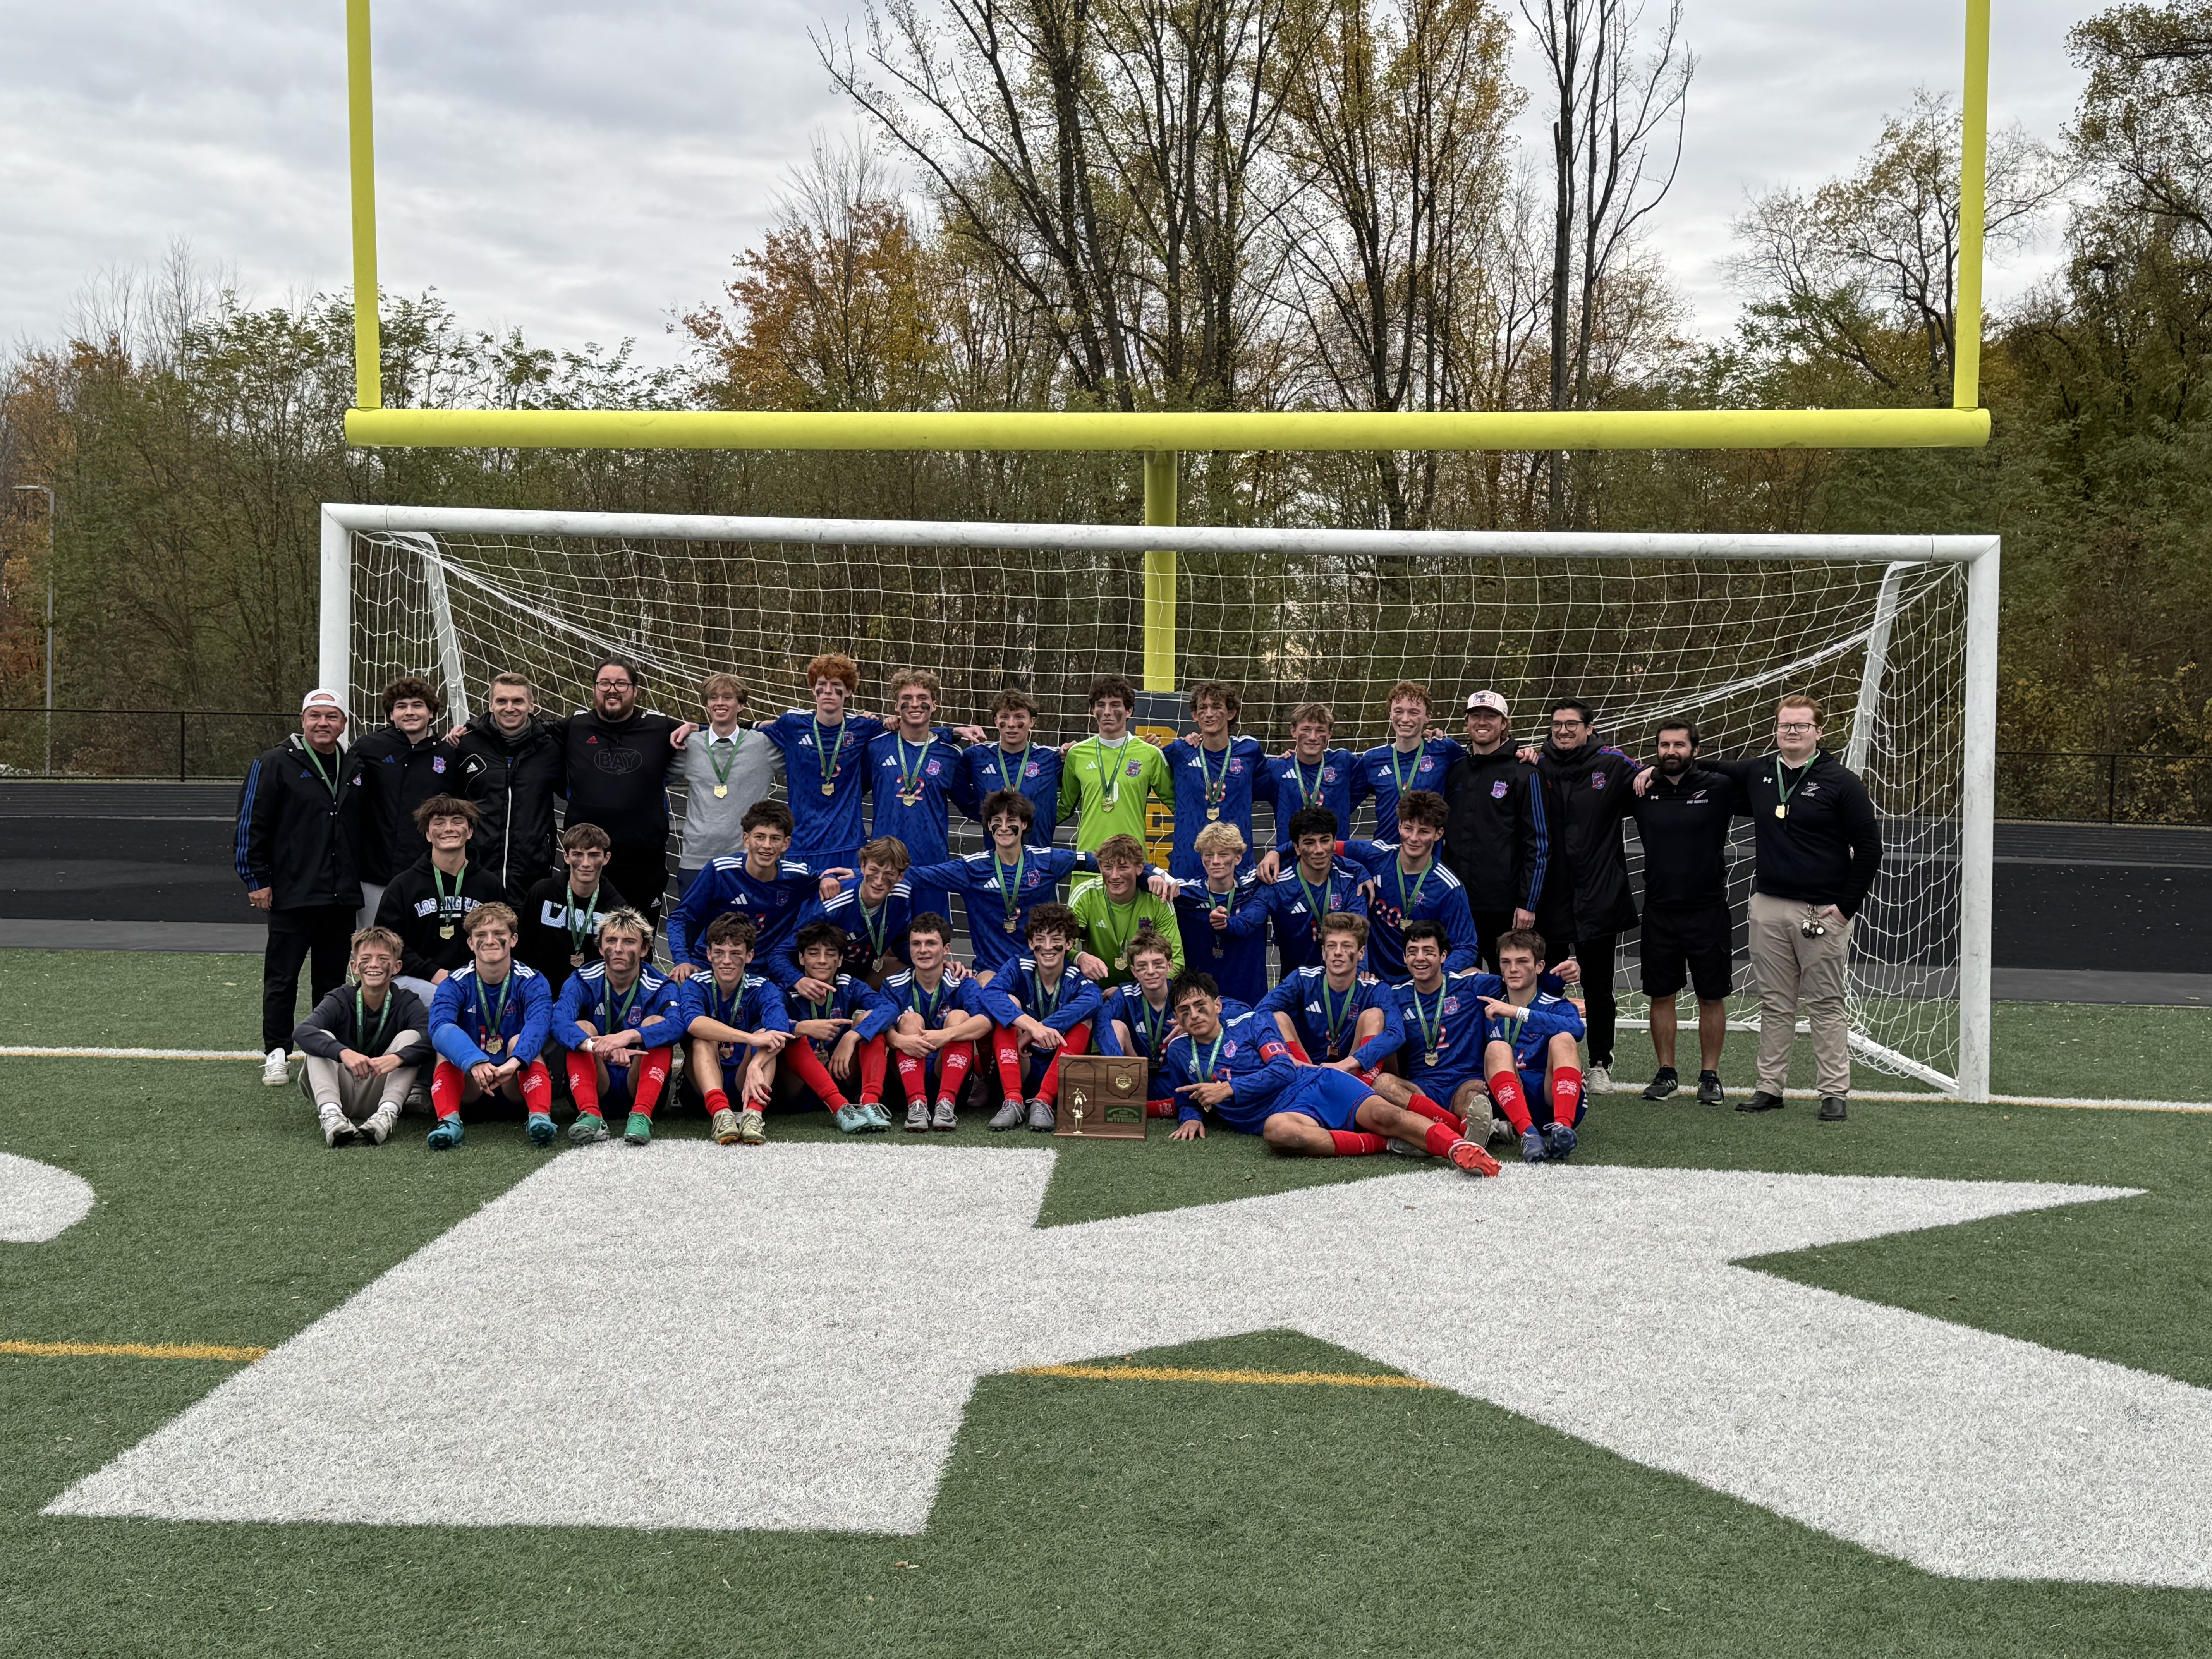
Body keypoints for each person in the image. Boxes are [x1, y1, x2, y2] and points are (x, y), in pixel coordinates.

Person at [1659, 693, 1881, 1122]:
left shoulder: (1842, 782)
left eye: (1801, 726)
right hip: (1768, 907)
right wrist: (1652, 770)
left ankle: (1834, 1092)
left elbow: (1870, 848)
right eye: (1785, 726)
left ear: (1819, 731)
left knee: (1826, 1003)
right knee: (1775, 1003)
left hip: (1822, 913)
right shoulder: (1761, 771)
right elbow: (1706, 766)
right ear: (1776, 730)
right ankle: (1769, 1088)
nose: (1792, 732)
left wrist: (1845, 908)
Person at [1163, 973, 1497, 1172]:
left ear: (1217, 1005)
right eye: (1185, 1011)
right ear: (1177, 1019)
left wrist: (1229, 1089)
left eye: (1201, 1006)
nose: (1194, 1015)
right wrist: (1190, 1116)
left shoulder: (1253, 1023)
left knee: (1385, 1113)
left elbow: (1282, 1070)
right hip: (1287, 1114)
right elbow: (1185, 1094)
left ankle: (1458, 1148)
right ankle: (1389, 1146)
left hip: (1315, 1084)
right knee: (1276, 1132)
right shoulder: (1180, 1051)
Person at [239, 687, 364, 1086]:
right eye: (316, 716)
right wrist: (257, 879)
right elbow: (250, 826)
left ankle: (321, 1051)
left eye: (332, 717)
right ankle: (276, 1051)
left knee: (331, 982)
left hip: (340, 895)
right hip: (293, 892)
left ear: (344, 723)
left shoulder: (354, 764)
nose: (323, 723)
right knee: (282, 978)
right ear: (303, 720)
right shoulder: (275, 762)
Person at [909, 791, 1153, 977]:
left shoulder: (1047, 860)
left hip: (1042, 965)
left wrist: (1154, 875)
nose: (1004, 828)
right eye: (997, 821)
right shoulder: (971, 868)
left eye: (1011, 820)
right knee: (990, 998)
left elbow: (1106, 861)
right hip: (991, 969)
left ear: (1024, 825)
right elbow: (918, 876)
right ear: (989, 826)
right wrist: (874, 875)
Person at [1526, 699, 1639, 1091]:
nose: (1564, 731)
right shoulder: (1536, 764)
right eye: (1557, 724)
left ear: (1589, 729)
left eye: (1572, 724)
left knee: (1598, 984)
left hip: (1599, 893)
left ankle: (1600, 1062)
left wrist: (1651, 774)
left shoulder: (1612, 764)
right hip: (1551, 896)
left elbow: (1651, 779)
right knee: (1549, 981)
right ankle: (1548, 1057)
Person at [1628, 717, 1740, 1106]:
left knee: (1711, 996)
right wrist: (1641, 773)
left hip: (1708, 910)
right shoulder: (1642, 790)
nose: (1671, 752)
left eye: (1679, 745)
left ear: (1694, 748)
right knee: (1661, 995)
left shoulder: (1720, 788)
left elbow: (1756, 777)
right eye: (1664, 746)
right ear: (1656, 749)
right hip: (1659, 910)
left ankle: (1710, 1076)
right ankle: (1666, 1072)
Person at [549, 659, 686, 927]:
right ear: (594, 689)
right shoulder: (574, 727)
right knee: (584, 942)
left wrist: (757, 727)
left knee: (638, 943)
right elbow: (520, 732)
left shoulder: (661, 727)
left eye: (621, 684)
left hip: (643, 862)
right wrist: (470, 730)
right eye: (605, 683)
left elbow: (713, 733)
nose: (613, 690)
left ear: (635, 690)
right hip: (587, 860)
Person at [663, 800, 843, 986]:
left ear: (786, 844)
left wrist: (829, 878)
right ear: (746, 840)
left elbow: (866, 874)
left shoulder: (797, 876)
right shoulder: (721, 871)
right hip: (713, 965)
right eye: (760, 837)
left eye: (775, 838)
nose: (767, 845)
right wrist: (682, 960)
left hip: (766, 974)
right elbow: (680, 917)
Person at [423, 902, 557, 1150]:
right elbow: (439, 1027)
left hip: (514, 1082)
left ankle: (539, 1117)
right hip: (472, 1085)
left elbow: (539, 1026)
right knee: (447, 1047)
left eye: (499, 935)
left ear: (514, 940)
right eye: (481, 936)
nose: (490, 941)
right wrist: (474, 1061)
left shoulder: (533, 981)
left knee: (524, 1042)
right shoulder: (454, 983)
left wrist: (514, 1062)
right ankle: (449, 1122)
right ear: (471, 944)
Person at [552, 907, 686, 1147]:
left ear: (645, 949)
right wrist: (598, 1046)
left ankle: (642, 1116)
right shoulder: (583, 978)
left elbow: (678, 1025)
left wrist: (628, 1037)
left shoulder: (660, 984)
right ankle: (590, 1114)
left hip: (639, 1080)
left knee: (657, 1025)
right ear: (601, 947)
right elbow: (558, 1021)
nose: (618, 949)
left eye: (629, 942)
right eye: (611, 941)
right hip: (597, 1079)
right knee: (580, 1028)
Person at [858, 912, 1001, 1132]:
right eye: (916, 944)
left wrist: (947, 1035)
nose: (923, 950)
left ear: (946, 949)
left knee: (959, 1018)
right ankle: (917, 1105)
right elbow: (878, 1024)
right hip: (903, 1080)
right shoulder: (894, 984)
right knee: (909, 1020)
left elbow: (986, 1022)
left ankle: (946, 1104)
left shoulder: (961, 982)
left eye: (931, 943)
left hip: (948, 1073)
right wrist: (899, 1041)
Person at [291, 926, 430, 1147]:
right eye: (367, 959)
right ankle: (331, 1116)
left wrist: (397, 1058)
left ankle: (387, 1114)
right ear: (355, 967)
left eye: (383, 959)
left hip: (380, 1090)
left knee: (411, 1037)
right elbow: (302, 1032)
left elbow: (430, 1040)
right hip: (341, 1089)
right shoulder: (340, 997)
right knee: (320, 1038)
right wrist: (343, 1052)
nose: (374, 965)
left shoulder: (407, 1001)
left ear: (397, 967)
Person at [1440, 690, 1547, 971]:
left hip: (1506, 909)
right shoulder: (1456, 771)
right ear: (1467, 723)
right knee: (1461, 989)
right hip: (1459, 905)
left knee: (1510, 985)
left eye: (1491, 716)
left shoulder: (1525, 773)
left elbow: (1539, 844)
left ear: (1504, 724)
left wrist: (1528, 902)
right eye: (1476, 716)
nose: (1482, 722)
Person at [985, 902, 1112, 1133]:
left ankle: (1044, 1101)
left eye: (1056, 939)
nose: (1048, 947)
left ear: (1070, 944)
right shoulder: (1018, 966)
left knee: (1085, 1018)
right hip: (1019, 1065)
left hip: (1058, 1071)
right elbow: (991, 995)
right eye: (1040, 939)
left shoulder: (1075, 976)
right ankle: (1013, 1101)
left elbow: (1094, 1000)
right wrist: (1032, 1027)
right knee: (1008, 1006)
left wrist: (1043, 1028)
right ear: (1031, 943)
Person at [757, 652, 888, 874]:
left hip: (847, 844)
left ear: (849, 691)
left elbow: (912, 733)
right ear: (813, 689)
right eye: (822, 684)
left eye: (836, 685)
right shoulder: (793, 724)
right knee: (803, 909)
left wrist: (951, 732)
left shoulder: (864, 727)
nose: (828, 691)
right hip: (802, 843)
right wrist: (695, 728)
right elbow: (743, 731)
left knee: (844, 909)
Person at [865, 668, 976, 929]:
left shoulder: (951, 754)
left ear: (934, 704)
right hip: (885, 865)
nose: (915, 704)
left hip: (932, 863)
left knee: (932, 937)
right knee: (883, 940)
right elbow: (851, 792)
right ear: (896, 705)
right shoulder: (875, 747)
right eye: (908, 697)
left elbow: (971, 805)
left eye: (922, 697)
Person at [677, 912, 796, 1147]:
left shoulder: (764, 987)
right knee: (703, 1039)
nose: (727, 961)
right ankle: (721, 1115)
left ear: (749, 956)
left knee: (767, 1037)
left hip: (748, 1080)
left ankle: (754, 1116)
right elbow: (694, 1023)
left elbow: (780, 1030)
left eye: (735, 954)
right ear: (709, 954)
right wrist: (749, 1038)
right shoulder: (695, 984)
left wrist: (755, 1062)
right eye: (719, 953)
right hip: (703, 1091)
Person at [373, 795, 506, 1003]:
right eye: (439, 823)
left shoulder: (490, 885)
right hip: (418, 980)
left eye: (457, 822)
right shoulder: (402, 886)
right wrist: (435, 973)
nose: (449, 829)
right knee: (444, 999)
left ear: (470, 832)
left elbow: (503, 937)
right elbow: (387, 945)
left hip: (477, 979)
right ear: (428, 834)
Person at [1338, 789, 1479, 982]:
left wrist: (1438, 976)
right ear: (1399, 826)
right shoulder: (1376, 855)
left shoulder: (1449, 888)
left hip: (1420, 982)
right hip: (1370, 979)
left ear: (1438, 834)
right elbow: (1324, 848)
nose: (1413, 838)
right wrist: (1280, 853)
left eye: (1424, 832)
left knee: (1476, 974)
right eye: (1409, 828)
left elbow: (1467, 947)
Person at [345, 676, 453, 925]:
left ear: (431, 713)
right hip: (373, 874)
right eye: (401, 706)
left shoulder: (448, 755)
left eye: (417, 705)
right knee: (372, 946)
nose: (410, 712)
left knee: (420, 946)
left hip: (427, 873)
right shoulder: (368, 747)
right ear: (391, 715)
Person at [450, 671, 566, 900]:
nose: (509, 708)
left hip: (532, 872)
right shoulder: (465, 745)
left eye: (518, 701)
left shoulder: (552, 749)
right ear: (491, 705)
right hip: (475, 870)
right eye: (502, 701)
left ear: (532, 706)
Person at [1476, 929, 1589, 1163]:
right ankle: (1529, 1134)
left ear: (1540, 967)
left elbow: (1577, 1030)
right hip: (1506, 1103)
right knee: (1497, 1048)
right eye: (1506, 962)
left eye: (1522, 962)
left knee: (1564, 1038)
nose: (1513, 969)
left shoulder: (1557, 1004)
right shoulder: (1488, 1005)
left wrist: (1517, 1013)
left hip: (1553, 1098)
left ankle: (1563, 1129)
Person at [1256, 913, 1402, 1077]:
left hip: (1351, 1070)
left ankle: (1359, 1092)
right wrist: (1283, 1053)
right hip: (1307, 1066)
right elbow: (1260, 1013)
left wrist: (1347, 1064)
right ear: (1324, 952)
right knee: (1277, 1017)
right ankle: (1306, 1079)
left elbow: (1397, 1034)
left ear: (1361, 953)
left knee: (1374, 1016)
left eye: (1346, 946)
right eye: (1332, 946)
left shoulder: (1376, 989)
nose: (1338, 952)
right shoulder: (1302, 978)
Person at [675, 673, 783, 887]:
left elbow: (803, 762)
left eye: (728, 697)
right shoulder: (690, 745)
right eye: (714, 698)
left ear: (741, 705)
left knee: (744, 922)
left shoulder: (762, 745)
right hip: (697, 860)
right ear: (706, 705)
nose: (720, 703)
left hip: (748, 859)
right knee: (695, 922)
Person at [774, 921, 879, 1133]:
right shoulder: (784, 991)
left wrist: (852, 1037)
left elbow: (887, 1008)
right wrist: (803, 1027)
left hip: (841, 1077)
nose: (822, 961)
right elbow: (763, 1025)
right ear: (802, 958)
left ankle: (870, 1103)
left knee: (870, 1020)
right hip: (796, 1090)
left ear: (840, 960)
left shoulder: (849, 985)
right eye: (814, 953)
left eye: (830, 954)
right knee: (792, 1034)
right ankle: (838, 1106)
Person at [1242, 805, 1369, 979]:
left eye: (1325, 841)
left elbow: (1359, 933)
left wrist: (1361, 973)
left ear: (1335, 842)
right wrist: (1226, 922)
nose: (1319, 850)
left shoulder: (1352, 881)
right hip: (1294, 985)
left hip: (1343, 985)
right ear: (1296, 847)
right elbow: (1249, 921)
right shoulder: (1277, 884)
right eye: (1309, 843)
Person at [1058, 673, 1174, 864]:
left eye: (1115, 705)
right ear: (1092, 711)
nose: (1107, 712)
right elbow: (1064, 809)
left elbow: (1177, 804)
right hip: (1089, 860)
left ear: (1129, 711)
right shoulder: (1076, 754)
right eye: (1101, 705)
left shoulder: (1150, 754)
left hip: (1131, 862)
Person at [1159, 680, 1267, 881]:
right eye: (1203, 708)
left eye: (1217, 707)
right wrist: (1150, 746)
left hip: (1237, 863)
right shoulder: (1180, 752)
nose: (1209, 714)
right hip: (1189, 862)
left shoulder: (1249, 752)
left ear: (1231, 713)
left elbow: (1271, 781)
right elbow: (1150, 766)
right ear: (1194, 715)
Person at [781, 836, 916, 988]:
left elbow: (900, 941)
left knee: (924, 969)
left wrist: (929, 958)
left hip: (861, 978)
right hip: (823, 982)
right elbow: (781, 953)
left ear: (901, 876)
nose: (879, 882)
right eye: (874, 871)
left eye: (889, 875)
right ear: (863, 867)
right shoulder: (833, 905)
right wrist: (798, 981)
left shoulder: (901, 895)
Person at [515, 822, 630, 986]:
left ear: (606, 858)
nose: (586, 863)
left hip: (591, 997)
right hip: (540, 992)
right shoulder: (542, 892)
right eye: (578, 854)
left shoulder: (617, 908)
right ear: (566, 857)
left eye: (594, 855)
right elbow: (523, 947)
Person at [1069, 831, 1183, 987]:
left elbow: (1176, 962)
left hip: (1144, 993)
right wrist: (1080, 957)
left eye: (1123, 868)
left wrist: (1130, 994)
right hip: (1095, 991)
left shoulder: (1158, 900)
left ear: (1140, 868)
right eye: (1108, 867)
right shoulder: (1086, 895)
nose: (1114, 876)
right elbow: (1060, 945)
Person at [1355, 681, 1464, 843]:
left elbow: (1482, 764)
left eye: (1414, 713)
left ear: (1428, 717)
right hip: (1385, 854)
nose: (1405, 719)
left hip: (1429, 853)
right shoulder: (1372, 760)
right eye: (1399, 711)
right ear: (1391, 714)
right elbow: (1341, 799)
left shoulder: (1445, 750)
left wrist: (1514, 753)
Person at [1171, 821, 1268, 1003]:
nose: (1215, 861)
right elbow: (1141, 875)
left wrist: (1275, 853)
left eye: (1223, 854)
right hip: (1201, 1001)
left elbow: (1297, 856)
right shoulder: (1185, 893)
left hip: (1250, 998)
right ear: (1202, 859)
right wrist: (1157, 875)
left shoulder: (1255, 886)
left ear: (1238, 858)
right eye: (1209, 855)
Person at [1101, 925, 1182, 1119]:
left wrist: (1190, 1021)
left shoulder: (1183, 994)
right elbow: (1102, 1021)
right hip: (1136, 1073)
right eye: (1143, 966)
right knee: (1113, 1026)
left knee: (1193, 1024)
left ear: (1170, 966)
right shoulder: (1125, 994)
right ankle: (1119, 1087)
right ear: (1134, 971)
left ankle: (1156, 1106)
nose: (1151, 972)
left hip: (1174, 1075)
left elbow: (1221, 1007)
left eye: (1158, 964)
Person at [1258, 702, 1360, 857]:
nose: (1313, 737)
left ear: (1330, 734)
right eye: (1306, 730)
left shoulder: (1344, 763)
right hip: (1290, 861)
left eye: (1320, 731)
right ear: (1293, 731)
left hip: (1336, 861)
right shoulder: (1277, 770)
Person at [962, 689, 1063, 831]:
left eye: (1019, 717)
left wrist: (1047, 820)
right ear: (996, 721)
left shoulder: (1051, 759)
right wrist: (985, 816)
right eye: (1005, 717)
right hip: (996, 848)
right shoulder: (976, 757)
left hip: (1039, 850)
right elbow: (957, 790)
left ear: (1032, 722)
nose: (1011, 724)